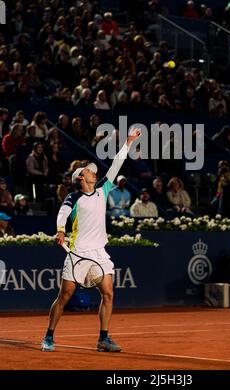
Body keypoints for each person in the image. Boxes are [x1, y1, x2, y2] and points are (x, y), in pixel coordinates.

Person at [41, 128, 141, 353]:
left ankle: (103, 339)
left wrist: (128, 143)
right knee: (65, 295)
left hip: (99, 253)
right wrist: (60, 230)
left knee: (108, 293)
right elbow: (63, 213)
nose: (94, 173)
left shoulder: (103, 189)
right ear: (80, 178)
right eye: (89, 172)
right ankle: (49, 336)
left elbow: (116, 164)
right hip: (78, 253)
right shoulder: (73, 197)